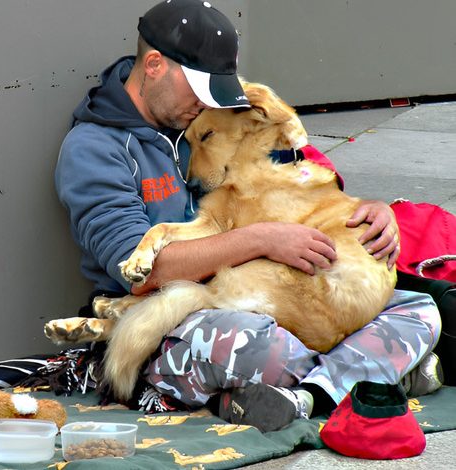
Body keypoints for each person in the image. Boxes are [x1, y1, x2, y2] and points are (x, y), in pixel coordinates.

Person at [55, 0, 442, 431]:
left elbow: (299, 177)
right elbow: (140, 273)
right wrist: (262, 239)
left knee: (419, 308)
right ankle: (375, 374)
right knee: (259, 349)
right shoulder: (95, 150)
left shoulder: (200, 113)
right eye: (201, 90)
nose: (207, 103)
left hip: (276, 293)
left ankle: (307, 396)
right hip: (169, 316)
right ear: (154, 66)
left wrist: (373, 211)